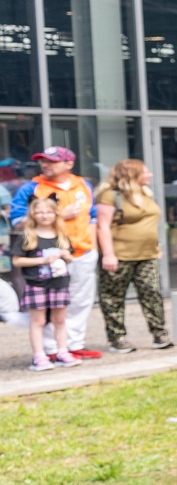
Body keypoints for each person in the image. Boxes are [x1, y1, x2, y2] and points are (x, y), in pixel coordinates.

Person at [21, 148, 98, 358]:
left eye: (52, 161)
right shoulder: (31, 188)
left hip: (81, 253)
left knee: (79, 301)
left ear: (69, 164)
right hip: (45, 257)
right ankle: (51, 349)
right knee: (48, 304)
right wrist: (59, 215)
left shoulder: (84, 186)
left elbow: (92, 218)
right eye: (43, 161)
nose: (46, 165)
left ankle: (74, 345)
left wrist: (95, 249)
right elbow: (18, 221)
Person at [93, 158, 173, 353]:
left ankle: (159, 334)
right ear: (132, 174)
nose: (150, 175)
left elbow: (150, 223)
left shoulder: (146, 193)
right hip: (120, 255)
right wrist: (108, 254)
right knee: (113, 297)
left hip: (148, 254)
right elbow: (102, 226)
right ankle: (117, 337)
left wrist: (156, 246)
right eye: (145, 172)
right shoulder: (110, 195)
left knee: (152, 292)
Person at [17, 193, 75, 370]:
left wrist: (67, 257)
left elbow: (70, 259)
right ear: (33, 215)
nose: (44, 215)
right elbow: (17, 261)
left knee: (60, 319)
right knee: (38, 321)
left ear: (56, 214)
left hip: (59, 284)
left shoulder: (61, 237)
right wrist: (42, 261)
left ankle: (62, 351)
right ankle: (39, 356)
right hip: (37, 284)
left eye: (49, 212)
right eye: (40, 212)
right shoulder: (28, 237)